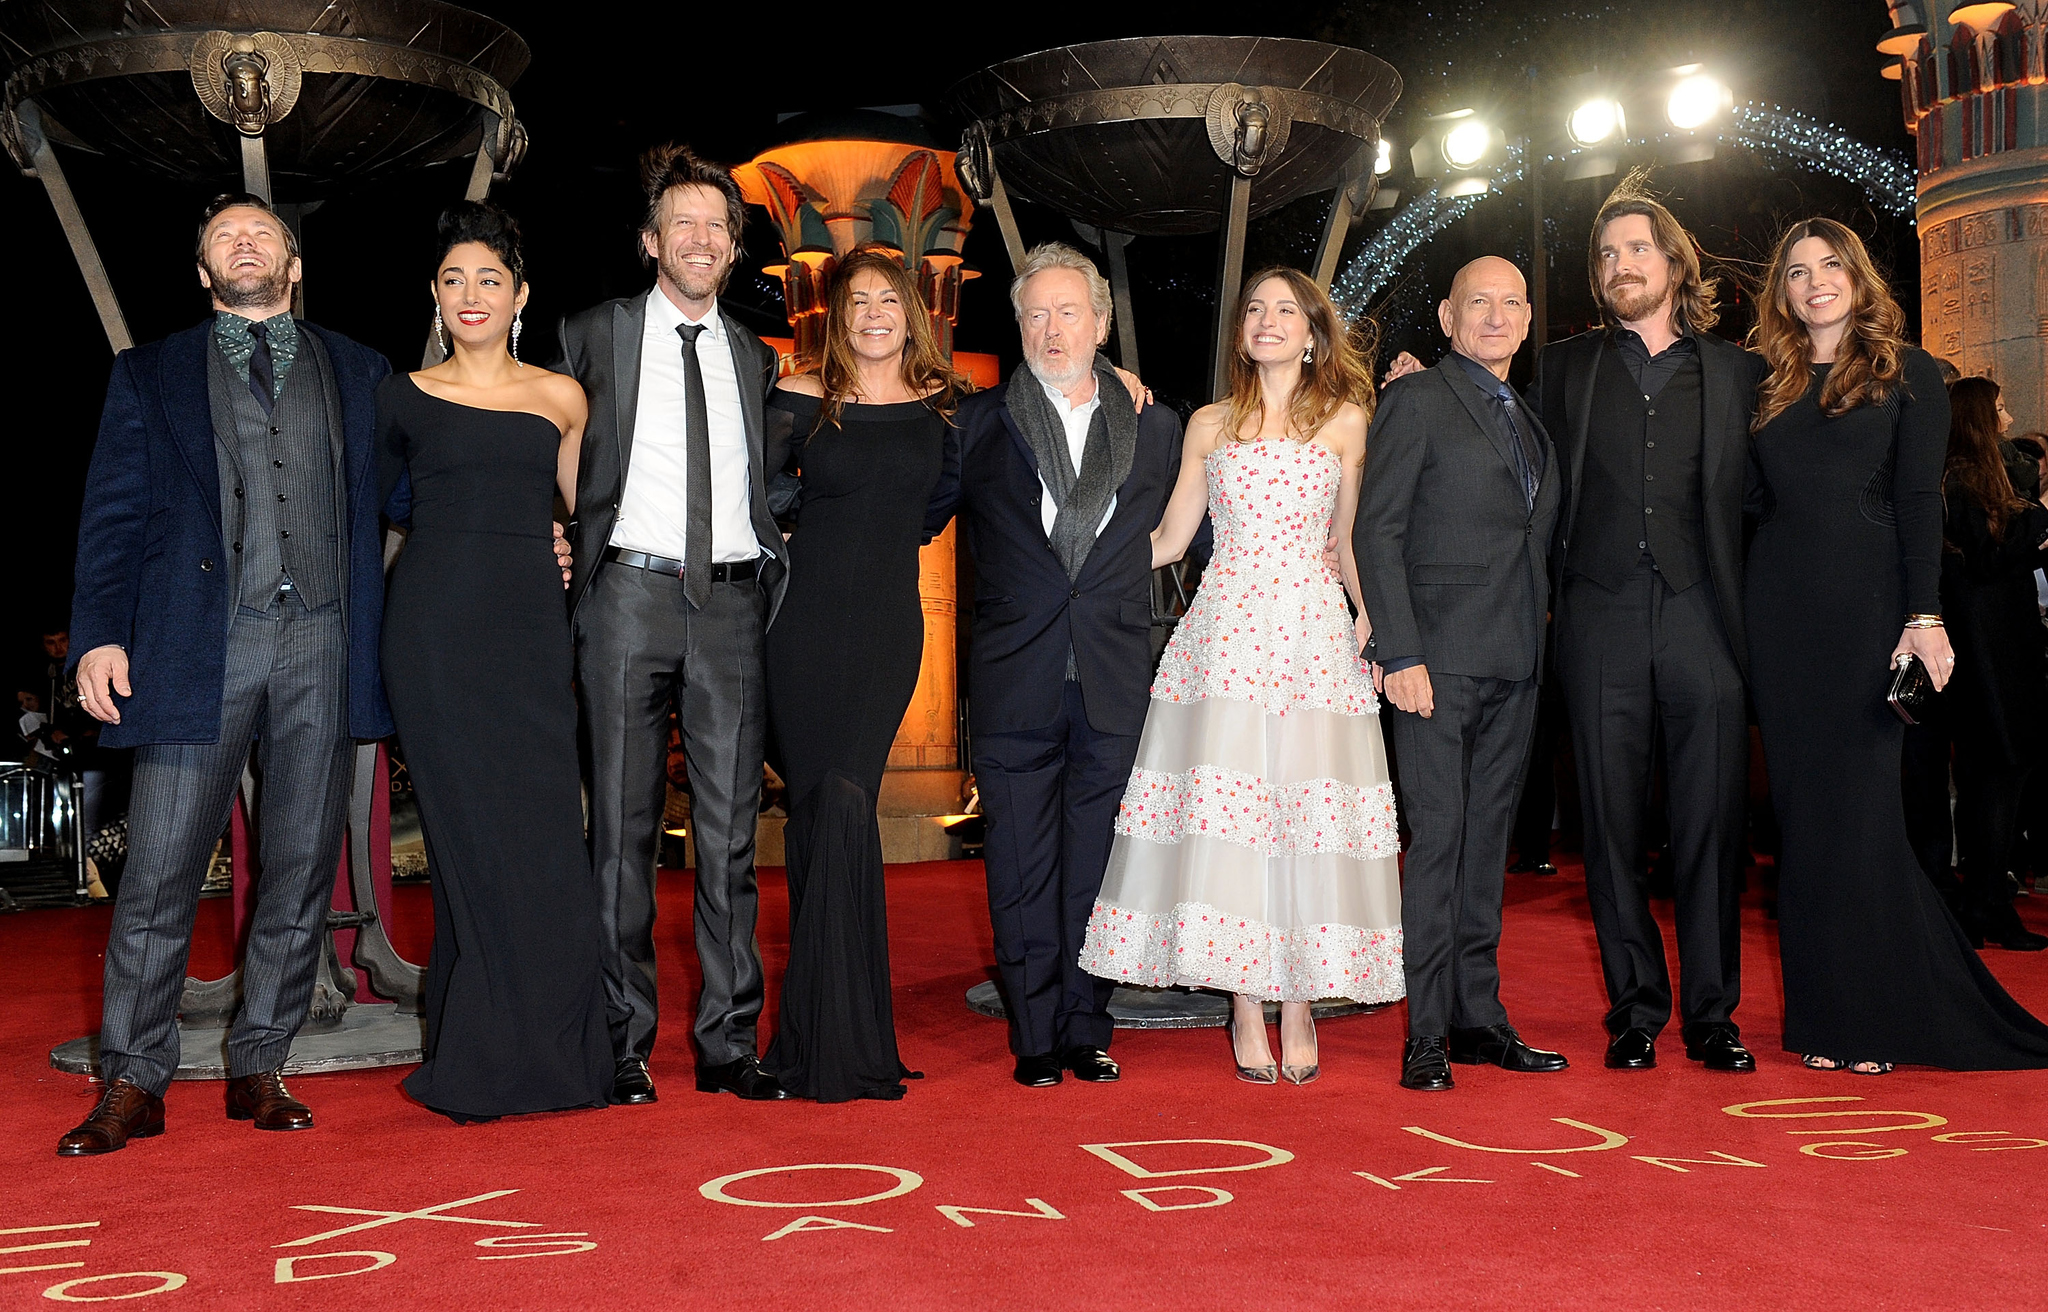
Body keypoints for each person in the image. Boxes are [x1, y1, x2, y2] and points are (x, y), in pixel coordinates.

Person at [58, 194, 395, 1154]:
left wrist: (523, 525)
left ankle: (260, 1066)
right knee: (159, 873)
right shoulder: (149, 373)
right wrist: (98, 636)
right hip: (196, 643)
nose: (244, 244)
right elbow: (112, 516)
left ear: (294, 262)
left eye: (263, 234)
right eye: (223, 237)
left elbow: (424, 487)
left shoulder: (363, 370)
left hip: (325, 644)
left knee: (297, 871)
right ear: (203, 273)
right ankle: (132, 1080)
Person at [1078, 267, 1401, 1085]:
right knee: (1235, 821)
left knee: (1303, 818)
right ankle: (1246, 1003)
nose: (1267, 321)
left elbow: (1353, 539)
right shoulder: (1210, 424)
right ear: (1241, 330)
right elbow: (1173, 537)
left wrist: (1379, 623)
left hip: (1314, 640)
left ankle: (1300, 1003)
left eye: (1286, 311)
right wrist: (1081, 559)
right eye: (1255, 310)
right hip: (1223, 637)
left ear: (1313, 330)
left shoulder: (1347, 421)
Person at [1745, 216, 2048, 1072]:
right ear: (1783, 292)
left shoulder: (1905, 372)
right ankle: (1822, 1019)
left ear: (1859, 275)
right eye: (1798, 271)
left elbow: (1920, 502)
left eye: (1831, 265)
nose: (1815, 283)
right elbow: (1751, 504)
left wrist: (1924, 615)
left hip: (1870, 611)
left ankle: (1872, 1015)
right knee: (1805, 824)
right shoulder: (1765, 381)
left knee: (1863, 817)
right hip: (1779, 614)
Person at [552, 144, 795, 1104]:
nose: (701, 240)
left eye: (718, 228)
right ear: (653, 242)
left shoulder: (754, 354)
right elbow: (533, 440)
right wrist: (550, 536)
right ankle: (621, 1040)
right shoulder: (590, 334)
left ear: (734, 250)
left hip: (732, 604)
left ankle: (729, 1043)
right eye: (683, 224)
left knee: (732, 837)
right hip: (627, 598)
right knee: (620, 833)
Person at [924, 242, 1183, 1088]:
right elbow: (905, 512)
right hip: (1013, 678)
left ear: (1101, 324)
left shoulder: (1156, 427)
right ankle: (1035, 1033)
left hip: (1114, 679)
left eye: (1069, 311)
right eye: (1035, 313)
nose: (1051, 329)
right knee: (1021, 868)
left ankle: (1085, 1024)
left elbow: (1207, 538)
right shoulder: (975, 424)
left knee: (1098, 869)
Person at [376, 201, 613, 1120]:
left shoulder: (561, 397)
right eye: (453, 280)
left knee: (548, 839)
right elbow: (379, 521)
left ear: (520, 295)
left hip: (528, 636)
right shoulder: (399, 395)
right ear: (434, 296)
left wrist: (558, 546)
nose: (470, 295)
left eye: (489, 279)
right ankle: (478, 1055)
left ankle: (559, 1053)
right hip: (433, 634)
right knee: (467, 845)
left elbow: (587, 519)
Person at [1525, 186, 1763, 1075]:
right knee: (1611, 828)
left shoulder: (1740, 375)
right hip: (1599, 616)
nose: (1622, 265)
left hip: (1705, 615)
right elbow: (1501, 450)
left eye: (1637, 249)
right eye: (1608, 256)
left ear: (1673, 261)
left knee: (1711, 826)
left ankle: (1711, 1014)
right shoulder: (1562, 368)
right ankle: (1635, 1011)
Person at [1356, 256, 1569, 1092]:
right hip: (1435, 667)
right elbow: (1378, 532)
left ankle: (1480, 1017)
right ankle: (1428, 1034)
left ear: (1525, 321)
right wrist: (1400, 653)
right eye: (1477, 301)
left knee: (1487, 850)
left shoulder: (1529, 416)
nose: (1496, 315)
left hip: (1517, 661)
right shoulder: (1416, 399)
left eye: (1511, 303)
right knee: (1440, 845)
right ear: (1447, 318)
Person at [760, 248, 969, 1101]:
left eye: (890, 299)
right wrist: (816, 524)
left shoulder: (943, 408)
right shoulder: (800, 395)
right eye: (857, 302)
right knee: (820, 808)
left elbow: (940, 501)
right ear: (834, 316)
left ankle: (828, 1033)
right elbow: (759, 493)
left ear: (912, 313)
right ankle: (824, 1037)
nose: (874, 313)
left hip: (888, 630)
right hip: (802, 628)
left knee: (847, 802)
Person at [1940, 377, 2048, 952]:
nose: (2008, 417)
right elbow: (1987, 559)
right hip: (1989, 655)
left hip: (1995, 650)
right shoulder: (1961, 480)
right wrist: (2040, 518)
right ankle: (1985, 905)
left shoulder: (1967, 479)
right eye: (2000, 408)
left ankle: (1983, 902)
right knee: (1997, 780)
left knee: (1995, 781)